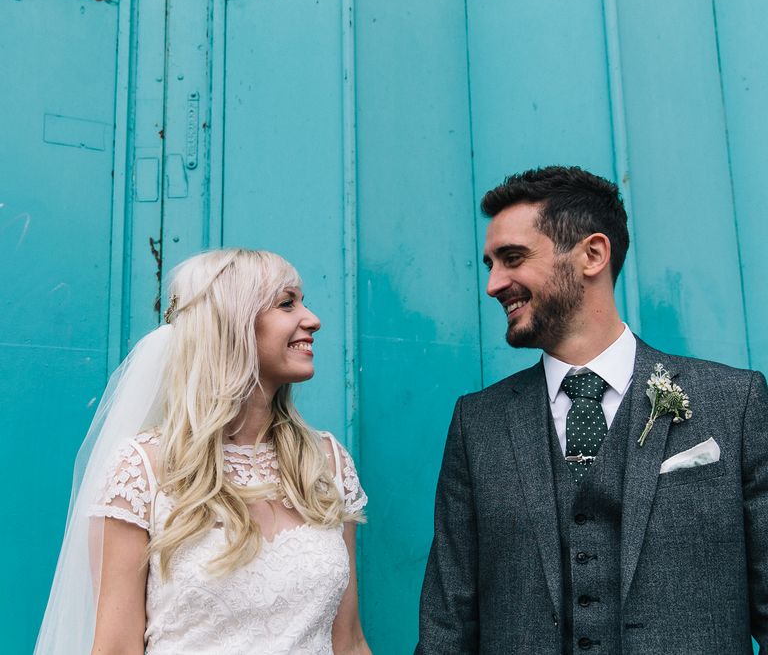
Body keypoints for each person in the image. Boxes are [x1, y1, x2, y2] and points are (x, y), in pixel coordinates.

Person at [416, 166, 768, 654]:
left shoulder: (735, 402)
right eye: (490, 265)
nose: (494, 284)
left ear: (592, 254)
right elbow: (447, 626)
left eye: (513, 258)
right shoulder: (478, 424)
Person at [36, 248, 371, 655]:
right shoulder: (143, 469)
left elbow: (349, 642)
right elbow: (116, 648)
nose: (312, 319)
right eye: (287, 303)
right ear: (231, 322)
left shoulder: (327, 463)